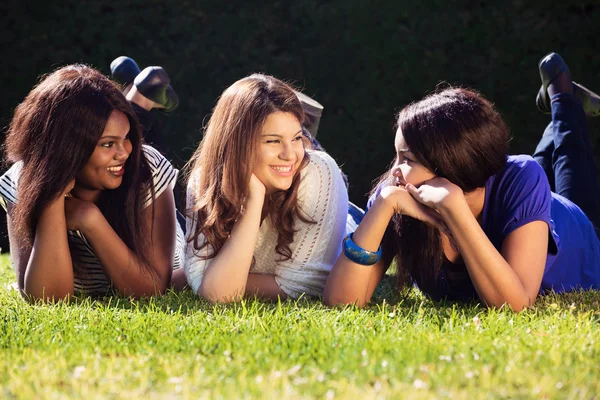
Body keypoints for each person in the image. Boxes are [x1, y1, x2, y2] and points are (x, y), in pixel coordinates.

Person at [324, 52, 600, 311]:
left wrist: (454, 209)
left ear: (450, 165)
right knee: (536, 168)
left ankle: (561, 97)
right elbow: (342, 300)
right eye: (396, 156)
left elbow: (514, 304)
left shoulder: (519, 177)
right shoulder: (395, 194)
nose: (394, 171)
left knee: (568, 162)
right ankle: (561, 105)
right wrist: (383, 205)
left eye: (408, 159)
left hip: (569, 225)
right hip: (512, 193)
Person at [0, 64, 184, 301]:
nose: (124, 152)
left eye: (126, 138)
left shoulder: (145, 166)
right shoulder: (22, 180)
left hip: (174, 224)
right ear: (66, 150)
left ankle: (138, 100)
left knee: (139, 156)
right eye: (107, 144)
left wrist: (90, 219)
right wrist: (52, 197)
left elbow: (150, 289)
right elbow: (47, 298)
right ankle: (137, 95)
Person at [184, 73, 350, 303]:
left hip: (342, 212)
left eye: (296, 138)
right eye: (272, 141)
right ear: (237, 144)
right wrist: (253, 201)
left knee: (309, 163)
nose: (289, 154)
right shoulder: (205, 179)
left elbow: (305, 287)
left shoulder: (318, 173)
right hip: (260, 175)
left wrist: (225, 276)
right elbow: (214, 292)